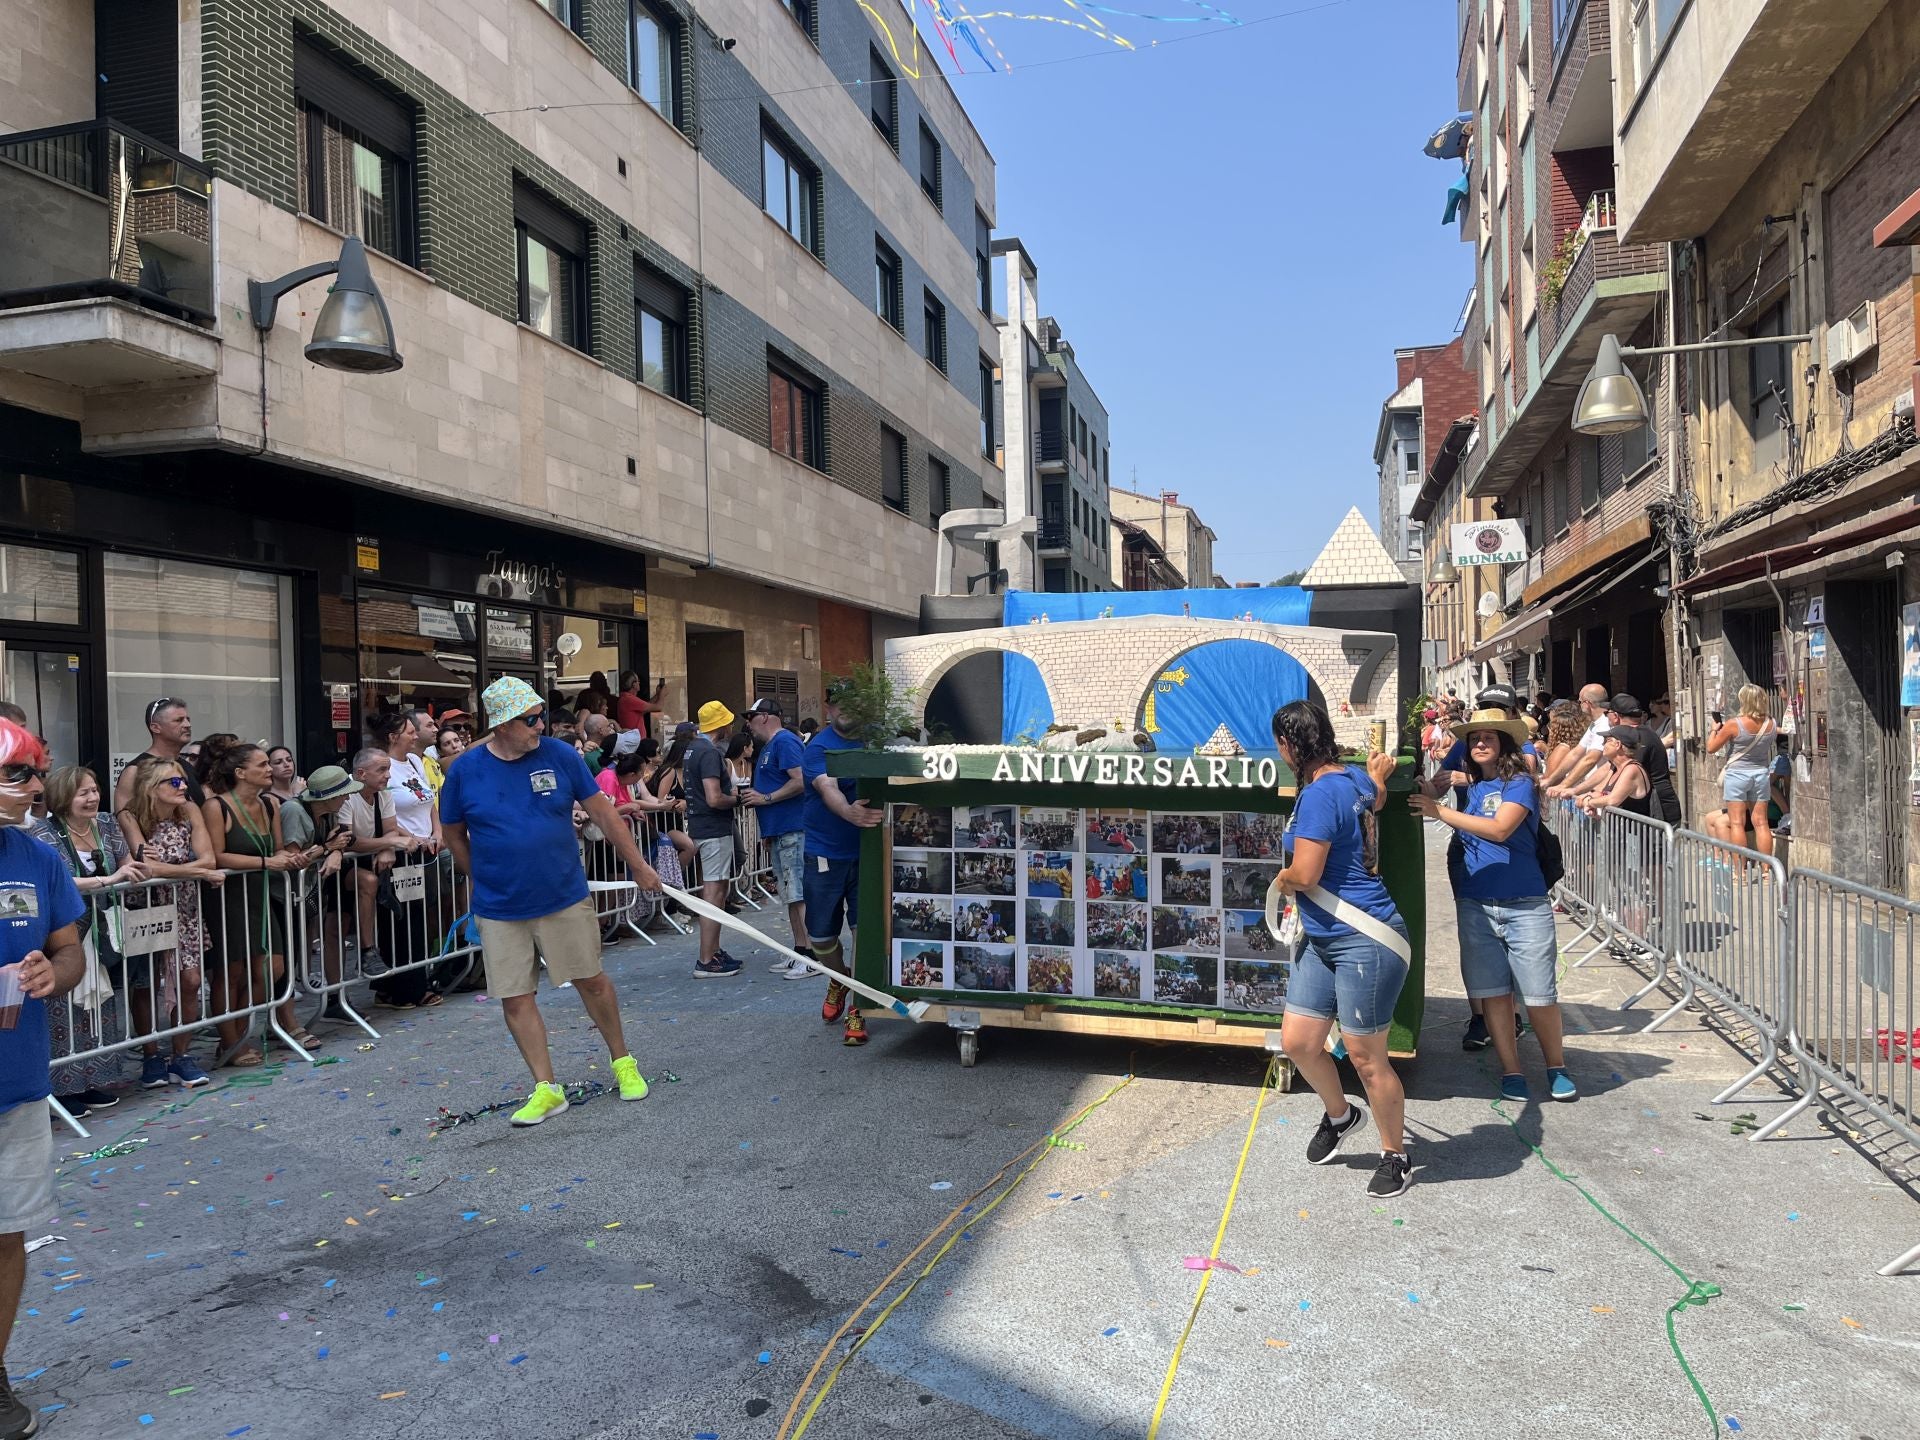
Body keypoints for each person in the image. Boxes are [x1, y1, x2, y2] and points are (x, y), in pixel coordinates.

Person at [438, 676, 658, 1125]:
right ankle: (546, 1088)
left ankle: (623, 1062)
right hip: (499, 904)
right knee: (515, 997)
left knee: (591, 980)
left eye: (541, 714)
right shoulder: (465, 770)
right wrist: (477, 879)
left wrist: (638, 865)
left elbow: (601, 812)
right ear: (501, 724)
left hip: (561, 894)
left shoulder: (559, 755)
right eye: (530, 718)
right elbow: (454, 833)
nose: (541, 724)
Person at [1269, 700, 1412, 1199]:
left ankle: (1396, 1154)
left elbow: (1305, 875)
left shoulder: (1314, 796)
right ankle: (1341, 1114)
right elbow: (1376, 802)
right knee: (1299, 1042)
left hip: (1364, 937)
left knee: (1367, 1058)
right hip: (1326, 938)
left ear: (1289, 745)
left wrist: (1282, 880)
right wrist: (1378, 775)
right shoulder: (1351, 778)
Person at [1409, 710, 1576, 1102]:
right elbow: (1436, 793)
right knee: (1494, 994)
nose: (1481, 742)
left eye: (1490, 737)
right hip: (1476, 901)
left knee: (1539, 994)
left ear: (1505, 745)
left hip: (1524, 902)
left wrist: (1441, 812)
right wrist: (1422, 787)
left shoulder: (1519, 783)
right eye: (1475, 738)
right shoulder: (1474, 789)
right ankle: (1512, 1070)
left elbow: (1501, 829)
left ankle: (1556, 1066)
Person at [0, 721, 88, 1440]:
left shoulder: (37, 857)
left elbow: (70, 953)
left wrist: (50, 973)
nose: (35, 789)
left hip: (15, 1084)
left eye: (35, 774)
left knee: (4, 1239)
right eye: (18, 777)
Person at [32, 765, 143, 1115]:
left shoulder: (108, 824)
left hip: (102, 928)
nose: (92, 797)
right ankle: (62, 1089)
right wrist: (109, 881)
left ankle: (94, 1079)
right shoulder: (43, 832)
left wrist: (136, 869)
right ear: (64, 796)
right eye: (83, 792)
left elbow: (127, 864)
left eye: (94, 790)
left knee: (100, 1005)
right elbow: (58, 881)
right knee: (65, 1008)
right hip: (64, 932)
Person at [202, 742, 311, 1065]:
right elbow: (217, 855)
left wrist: (293, 857)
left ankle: (240, 1030)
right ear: (240, 773)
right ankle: (230, 1040)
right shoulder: (216, 806)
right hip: (229, 895)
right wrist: (267, 863)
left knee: (272, 968)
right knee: (231, 971)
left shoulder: (269, 805)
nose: (269, 770)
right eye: (262, 765)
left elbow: (278, 849)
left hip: (261, 893)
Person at [115, 757, 219, 1088]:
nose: (184, 786)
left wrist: (183, 868)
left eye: (183, 781)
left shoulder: (189, 810)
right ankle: (150, 1056)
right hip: (147, 908)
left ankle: (181, 1054)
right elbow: (147, 869)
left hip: (185, 907)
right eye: (174, 782)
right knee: (146, 984)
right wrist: (197, 871)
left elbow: (209, 857)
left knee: (190, 981)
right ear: (152, 787)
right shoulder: (130, 816)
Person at [803, 679, 885, 1046]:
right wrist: (849, 813)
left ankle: (859, 1006)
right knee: (820, 937)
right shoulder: (818, 747)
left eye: (852, 701)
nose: (844, 708)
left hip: (869, 854)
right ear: (828, 708)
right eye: (837, 702)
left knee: (865, 933)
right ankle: (839, 978)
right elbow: (827, 787)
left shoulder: (878, 743)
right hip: (825, 853)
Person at [742, 699, 810, 976]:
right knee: (791, 895)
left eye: (751, 716)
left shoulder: (784, 743)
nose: (748, 722)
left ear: (766, 717)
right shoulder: (774, 745)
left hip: (793, 829)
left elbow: (801, 779)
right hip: (781, 831)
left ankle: (811, 955)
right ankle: (801, 950)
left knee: (798, 894)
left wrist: (766, 798)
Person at [683, 700, 742, 978]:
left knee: (717, 889)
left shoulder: (693, 748)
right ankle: (707, 959)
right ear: (722, 725)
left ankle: (714, 952)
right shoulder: (708, 752)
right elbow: (714, 797)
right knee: (714, 892)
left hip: (702, 826)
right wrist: (738, 799)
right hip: (713, 828)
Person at [1706, 684, 1778, 855]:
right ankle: (1767, 871)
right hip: (1761, 774)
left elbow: (1711, 748)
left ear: (1744, 701)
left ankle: (1740, 872)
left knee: (1737, 822)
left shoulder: (1734, 724)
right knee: (1761, 823)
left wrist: (1713, 730)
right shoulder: (1771, 723)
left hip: (1737, 775)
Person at [115, 697, 203, 813]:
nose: (187, 725)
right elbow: (124, 818)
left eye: (188, 719)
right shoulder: (135, 771)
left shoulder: (188, 767)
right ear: (155, 727)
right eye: (178, 720)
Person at [1542, 684, 1612, 794]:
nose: (1578, 706)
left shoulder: (1604, 724)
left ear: (1587, 703)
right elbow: (1575, 753)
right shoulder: (1594, 724)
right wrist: (1550, 780)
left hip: (1601, 792)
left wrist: (1563, 786)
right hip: (1591, 790)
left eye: (1580, 702)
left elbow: (1590, 759)